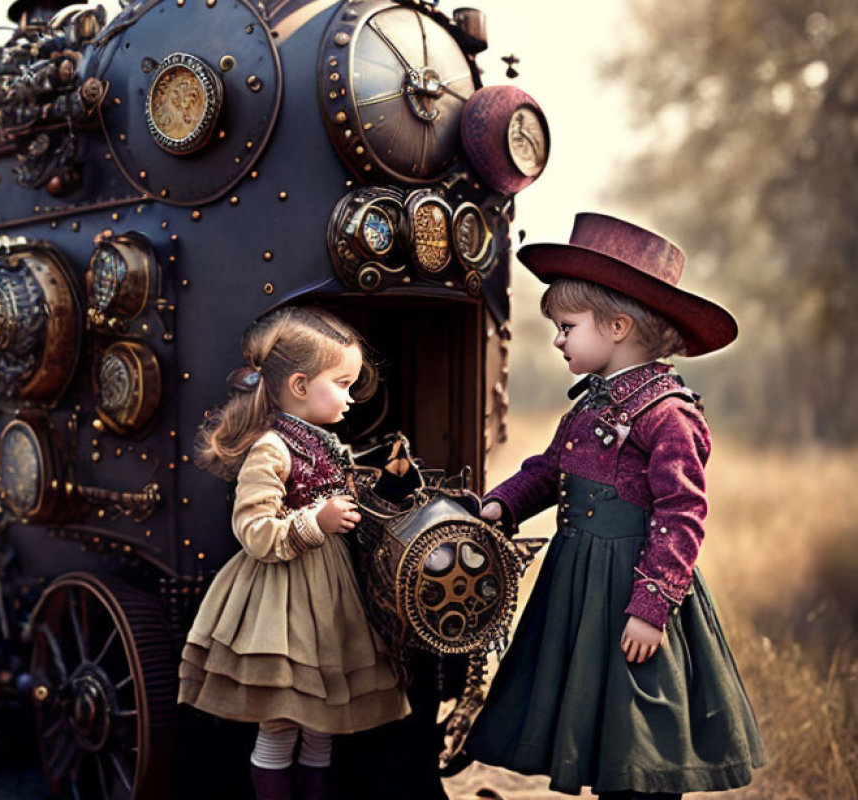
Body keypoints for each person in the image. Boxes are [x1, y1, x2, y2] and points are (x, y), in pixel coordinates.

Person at [461, 213, 765, 798]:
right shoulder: (588, 407)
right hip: (578, 588)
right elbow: (550, 470)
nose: (557, 339)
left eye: (567, 325)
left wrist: (650, 607)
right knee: (595, 729)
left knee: (638, 739)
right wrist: (501, 506)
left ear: (618, 326)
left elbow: (682, 514)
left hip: (631, 590)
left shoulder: (668, 414)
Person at [178, 306, 410, 800]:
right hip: (280, 600)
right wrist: (315, 522)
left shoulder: (328, 445)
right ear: (301, 386)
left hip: (330, 594)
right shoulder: (272, 449)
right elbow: (254, 529)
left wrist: (386, 481)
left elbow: (346, 495)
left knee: (322, 722)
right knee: (281, 723)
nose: (350, 398)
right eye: (342, 384)